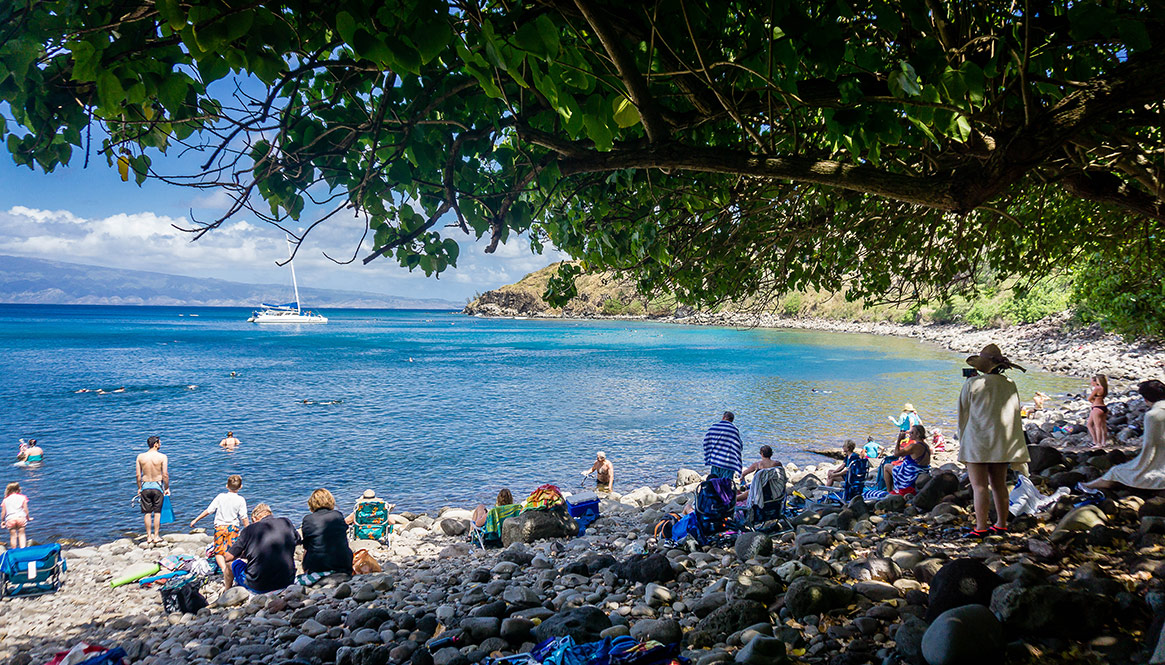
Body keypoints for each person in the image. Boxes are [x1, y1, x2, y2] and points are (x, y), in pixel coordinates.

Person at [957, 343, 1030, 538]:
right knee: (999, 485)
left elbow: (963, 412)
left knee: (979, 486)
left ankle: (980, 527)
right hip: (1001, 441)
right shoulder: (1010, 384)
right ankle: (1002, 523)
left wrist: (962, 438)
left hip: (977, 441)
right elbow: (1014, 414)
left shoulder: (972, 384)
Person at [1084, 380, 1165, 491]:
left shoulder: (1153, 415)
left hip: (1160, 468)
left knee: (1116, 471)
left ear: (1146, 399)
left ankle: (1086, 486)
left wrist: (1136, 465)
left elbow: (1151, 447)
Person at [224, 503, 301, 594]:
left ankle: (226, 591)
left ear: (254, 519)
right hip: (287, 581)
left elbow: (228, 557)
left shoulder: (248, 530)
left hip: (259, 586)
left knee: (230, 563)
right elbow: (298, 541)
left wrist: (244, 554)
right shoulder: (286, 522)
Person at [189, 475, 249, 590]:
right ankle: (231, 570)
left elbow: (209, 510)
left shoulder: (220, 497)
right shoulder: (241, 499)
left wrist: (196, 519)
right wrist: (249, 530)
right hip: (233, 528)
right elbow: (244, 517)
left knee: (219, 551)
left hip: (220, 527)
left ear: (227, 486)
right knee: (233, 551)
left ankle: (223, 569)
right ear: (241, 487)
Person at [301, 489, 354, 577]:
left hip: (317, 566)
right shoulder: (338, 515)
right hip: (342, 564)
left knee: (308, 549)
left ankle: (308, 574)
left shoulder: (308, 519)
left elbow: (307, 545)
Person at [135, 435, 170, 547]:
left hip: (145, 485)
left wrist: (139, 487)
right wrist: (167, 488)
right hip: (157, 485)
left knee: (147, 513)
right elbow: (165, 474)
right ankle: (156, 536)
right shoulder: (162, 457)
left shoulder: (140, 457)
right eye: (159, 443)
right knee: (157, 512)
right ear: (155, 444)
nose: (160, 445)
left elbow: (138, 475)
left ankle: (148, 536)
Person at [883, 424, 931, 495]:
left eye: (912, 433)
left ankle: (889, 491)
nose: (910, 434)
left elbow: (896, 453)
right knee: (896, 465)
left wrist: (899, 440)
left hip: (912, 473)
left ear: (918, 434)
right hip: (923, 470)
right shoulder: (926, 445)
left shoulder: (914, 446)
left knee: (886, 466)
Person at [703, 411, 743, 481]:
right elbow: (739, 446)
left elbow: (706, 442)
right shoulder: (734, 430)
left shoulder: (714, 427)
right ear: (732, 420)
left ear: (723, 417)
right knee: (726, 484)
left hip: (715, 461)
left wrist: (709, 454)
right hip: (728, 463)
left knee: (714, 483)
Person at [2, 482, 30, 549]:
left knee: (13, 536)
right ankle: (22, 549)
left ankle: (14, 550)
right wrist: (28, 517)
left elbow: (3, 512)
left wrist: (2, 520)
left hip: (10, 519)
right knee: (22, 534)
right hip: (21, 518)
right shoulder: (22, 497)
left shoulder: (5, 500)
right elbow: (26, 509)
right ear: (18, 489)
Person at [1087, 374, 1109, 448]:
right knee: (1102, 425)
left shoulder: (1097, 388)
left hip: (1096, 407)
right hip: (1103, 407)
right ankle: (1103, 442)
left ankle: (1098, 443)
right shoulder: (1104, 388)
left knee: (1097, 426)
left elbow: (1089, 398)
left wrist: (1093, 401)